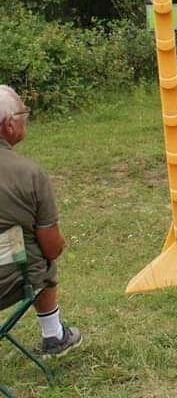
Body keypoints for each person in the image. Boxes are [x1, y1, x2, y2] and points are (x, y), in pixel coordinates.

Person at [0, 85, 82, 357]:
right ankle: (54, 335)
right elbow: (52, 248)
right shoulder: (30, 174)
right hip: (8, 281)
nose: (26, 118)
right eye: (23, 113)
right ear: (9, 124)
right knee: (39, 254)